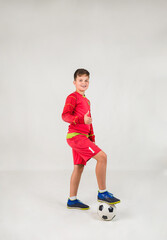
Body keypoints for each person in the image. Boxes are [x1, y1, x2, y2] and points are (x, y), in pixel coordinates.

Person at [61, 68, 120, 210]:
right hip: (75, 137)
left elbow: (89, 122)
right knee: (102, 157)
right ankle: (102, 193)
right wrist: (81, 119)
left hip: (82, 137)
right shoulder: (72, 97)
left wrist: (92, 138)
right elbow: (65, 116)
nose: (83, 82)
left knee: (79, 167)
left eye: (86, 80)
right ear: (74, 82)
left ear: (89, 83)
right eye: (80, 80)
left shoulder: (87, 100)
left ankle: (72, 200)